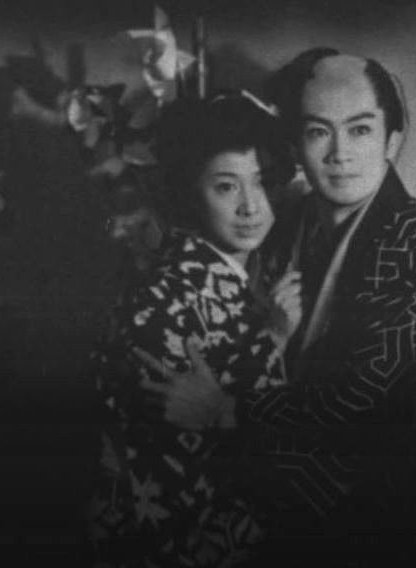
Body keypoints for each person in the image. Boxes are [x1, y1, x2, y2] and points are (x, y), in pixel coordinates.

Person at [135, 49, 416, 565]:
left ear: (392, 140)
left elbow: (363, 405)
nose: (340, 153)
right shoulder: (293, 221)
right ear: (296, 144)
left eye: (360, 130)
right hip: (323, 491)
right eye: (319, 131)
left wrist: (223, 410)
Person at [88, 94, 301, 567]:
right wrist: (270, 345)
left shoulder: (220, 281)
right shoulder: (167, 299)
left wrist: (273, 339)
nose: (251, 207)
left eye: (262, 183)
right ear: (190, 192)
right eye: (226, 187)